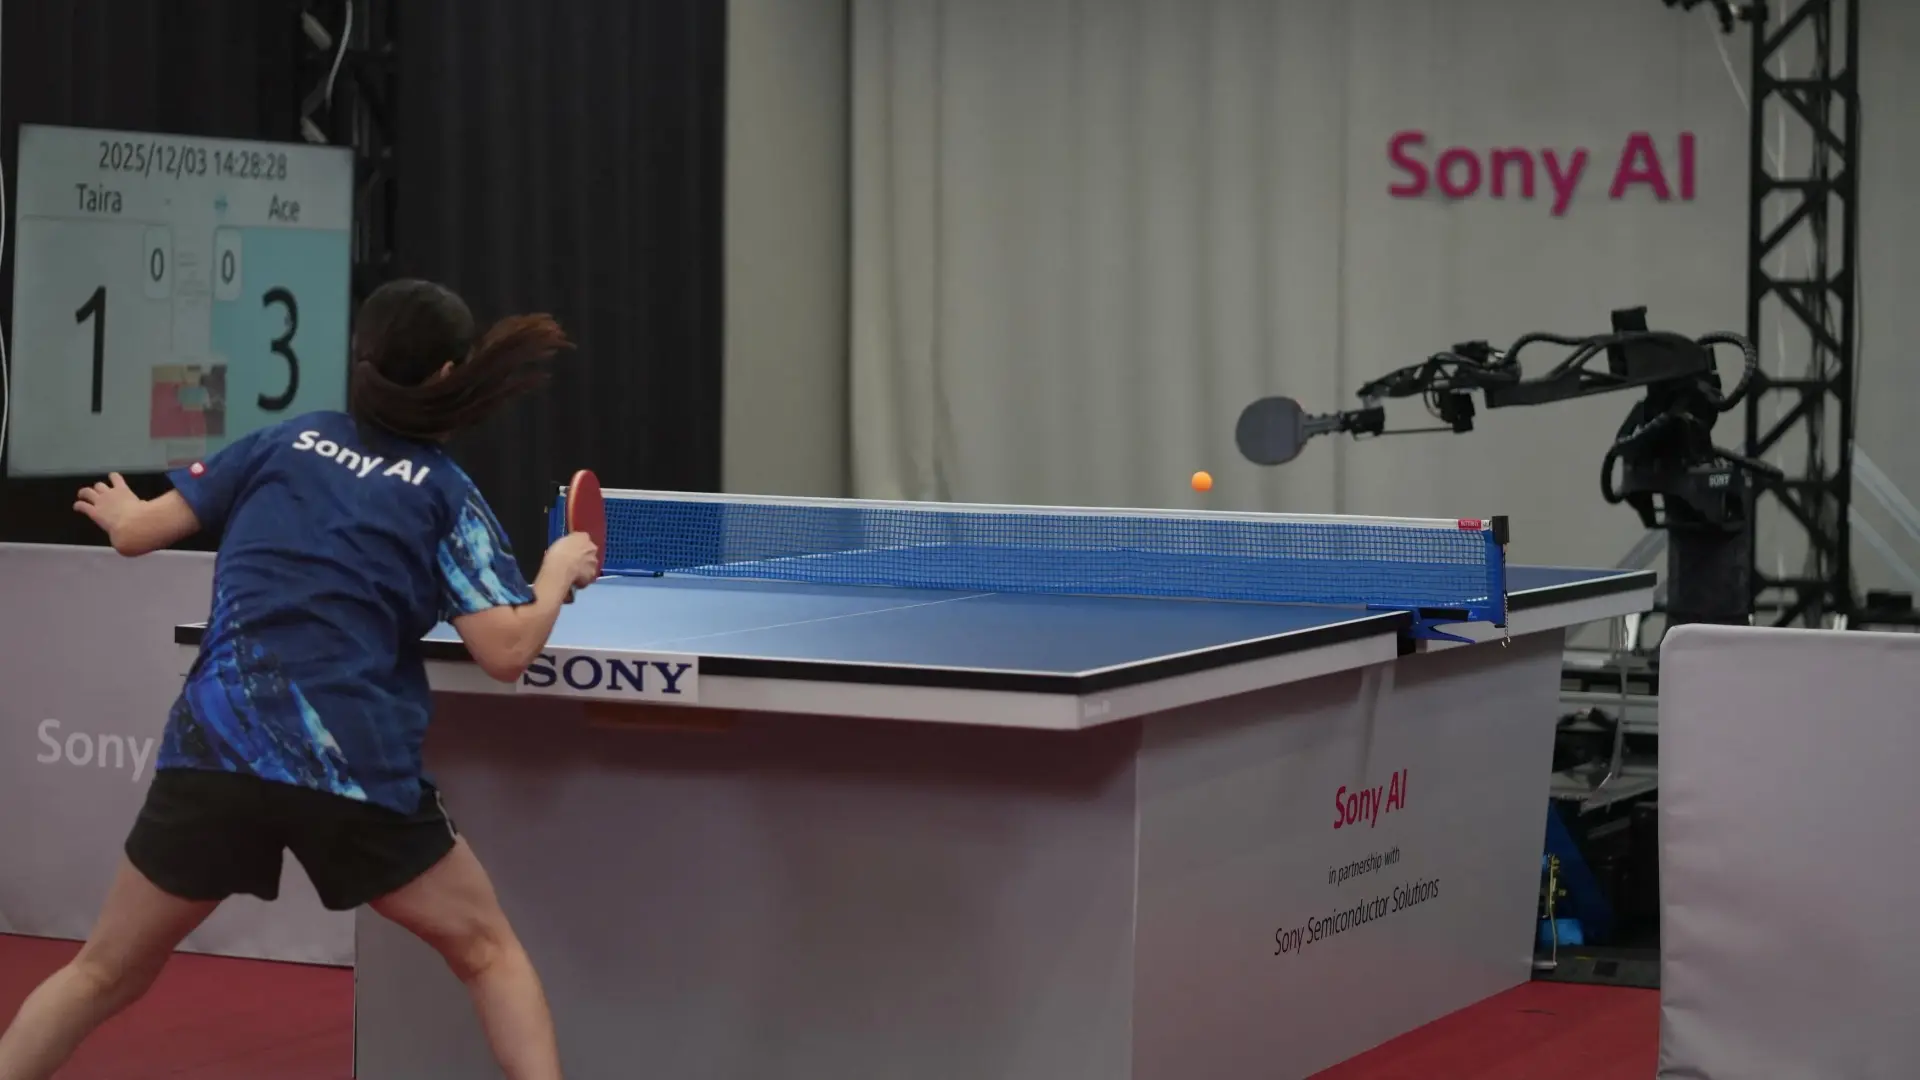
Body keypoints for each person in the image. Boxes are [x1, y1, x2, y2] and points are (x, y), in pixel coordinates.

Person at [0, 279, 594, 1080]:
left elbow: (139, 533)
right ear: (450, 374)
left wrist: (119, 510)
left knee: (101, 972)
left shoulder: (284, 440)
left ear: (361, 359)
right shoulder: (445, 493)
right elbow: (506, 649)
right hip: (349, 766)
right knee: (488, 953)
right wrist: (557, 570)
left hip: (217, 749)